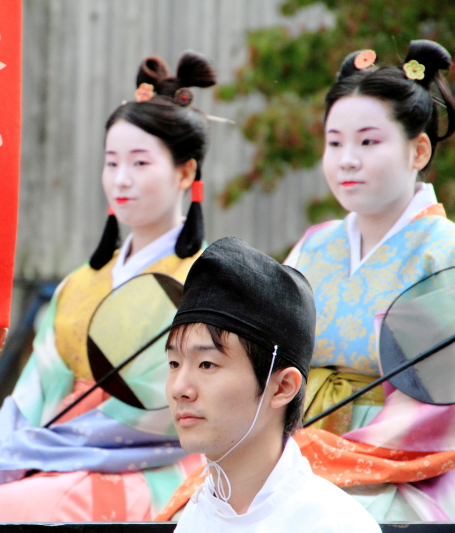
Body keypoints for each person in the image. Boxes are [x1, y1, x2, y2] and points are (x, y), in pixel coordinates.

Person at [159, 40, 455, 523]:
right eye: (334, 142)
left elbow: (440, 407)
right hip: (296, 440)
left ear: (418, 149)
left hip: (406, 465)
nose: (347, 159)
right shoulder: (314, 246)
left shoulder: (443, 253)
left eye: (368, 141)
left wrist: (327, 450)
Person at [0, 51, 215, 521]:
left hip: (154, 463)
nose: (121, 180)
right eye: (111, 163)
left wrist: (48, 448)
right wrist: (3, 449)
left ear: (185, 173)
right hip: (56, 450)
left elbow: (170, 408)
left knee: (8, 509)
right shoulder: (82, 281)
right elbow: (35, 389)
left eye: (139, 162)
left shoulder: (206, 280)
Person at [166, 236, 380, 531]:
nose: (179, 388)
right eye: (174, 364)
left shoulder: (333, 524)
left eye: (207, 364)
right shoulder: (195, 513)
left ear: (282, 387)